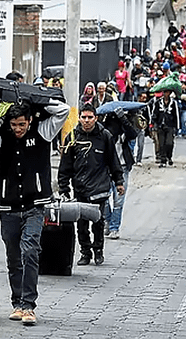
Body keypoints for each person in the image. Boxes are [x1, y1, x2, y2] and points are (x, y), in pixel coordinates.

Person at [0, 98, 70, 325]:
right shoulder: (0, 138)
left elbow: (63, 111)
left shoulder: (42, 132)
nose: (18, 129)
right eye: (14, 124)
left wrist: (38, 100)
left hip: (35, 205)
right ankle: (17, 302)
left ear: (29, 121)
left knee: (30, 252)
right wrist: (1, 111)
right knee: (14, 258)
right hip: (8, 208)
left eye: (22, 124)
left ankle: (29, 305)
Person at [58, 103, 124, 266]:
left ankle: (98, 250)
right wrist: (64, 188)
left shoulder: (105, 136)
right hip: (80, 188)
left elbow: (113, 161)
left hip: (100, 187)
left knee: (98, 222)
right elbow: (65, 166)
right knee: (81, 224)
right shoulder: (72, 137)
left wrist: (119, 181)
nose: (86, 121)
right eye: (83, 117)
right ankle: (85, 252)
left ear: (96, 118)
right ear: (79, 118)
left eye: (90, 117)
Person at [101, 107, 138, 240]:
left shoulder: (125, 132)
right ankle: (108, 221)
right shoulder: (106, 133)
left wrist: (123, 118)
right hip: (107, 168)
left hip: (122, 168)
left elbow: (133, 133)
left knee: (119, 200)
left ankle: (114, 227)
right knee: (103, 198)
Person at [151, 89, 179, 167]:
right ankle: (163, 160)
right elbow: (154, 113)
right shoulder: (158, 102)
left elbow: (176, 115)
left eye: (168, 92)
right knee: (161, 144)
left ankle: (169, 157)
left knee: (169, 143)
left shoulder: (173, 103)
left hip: (170, 125)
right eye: (165, 92)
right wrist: (153, 123)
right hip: (160, 125)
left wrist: (177, 127)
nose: (166, 94)